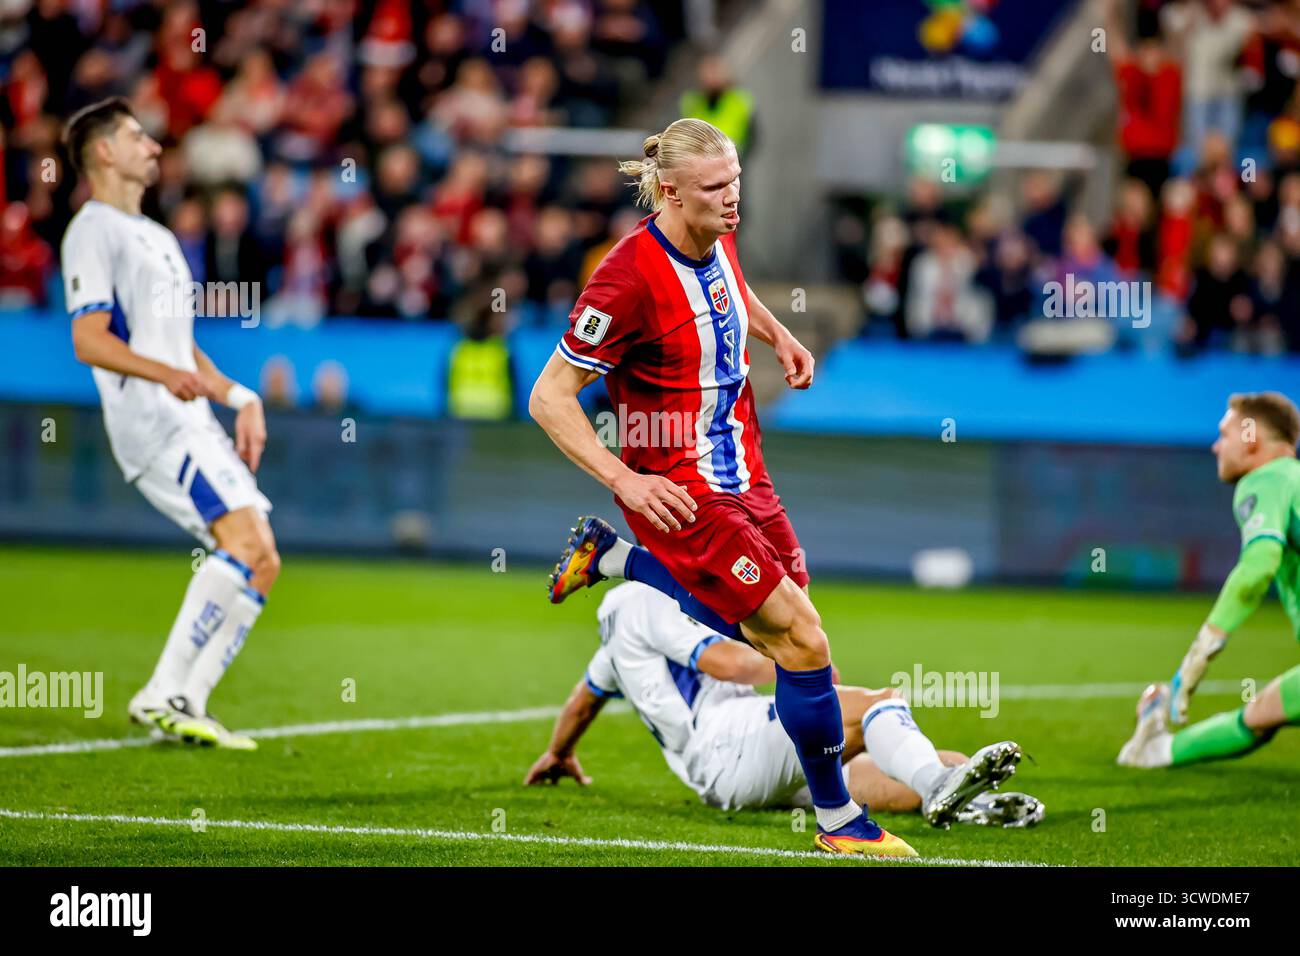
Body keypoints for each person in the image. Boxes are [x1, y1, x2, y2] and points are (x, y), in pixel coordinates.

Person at [529, 118, 913, 856]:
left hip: (746, 471)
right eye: (715, 188)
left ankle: (616, 561)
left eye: (736, 182)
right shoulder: (627, 276)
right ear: (669, 193)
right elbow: (549, 396)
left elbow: (730, 289)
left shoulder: (714, 232)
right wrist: (624, 480)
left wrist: (779, 336)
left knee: (787, 637)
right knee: (801, 638)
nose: (733, 199)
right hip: (679, 489)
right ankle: (841, 825)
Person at [60, 97, 279, 750]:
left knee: (262, 559)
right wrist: (166, 378)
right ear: (104, 152)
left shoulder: (156, 236)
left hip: (186, 414)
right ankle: (162, 692)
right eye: (137, 137)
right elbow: (89, 340)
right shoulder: (92, 229)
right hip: (152, 421)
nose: (153, 147)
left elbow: (177, 344)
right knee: (243, 543)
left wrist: (239, 395)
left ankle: (187, 700)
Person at [526, 583, 1041, 829]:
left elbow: (582, 702)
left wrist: (558, 754)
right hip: (732, 739)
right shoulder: (641, 598)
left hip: (732, 773)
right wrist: (801, 671)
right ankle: (938, 787)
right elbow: (725, 663)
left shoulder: (613, 647)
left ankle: (964, 797)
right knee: (878, 704)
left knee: (895, 768)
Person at [1120, 392, 1300, 768]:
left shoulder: (1264, 481)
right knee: (1262, 712)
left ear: (1250, 438)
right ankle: (1157, 752)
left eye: (1225, 434)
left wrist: (1198, 657)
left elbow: (1258, 568)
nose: (1215, 445)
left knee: (1259, 716)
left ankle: (1155, 752)